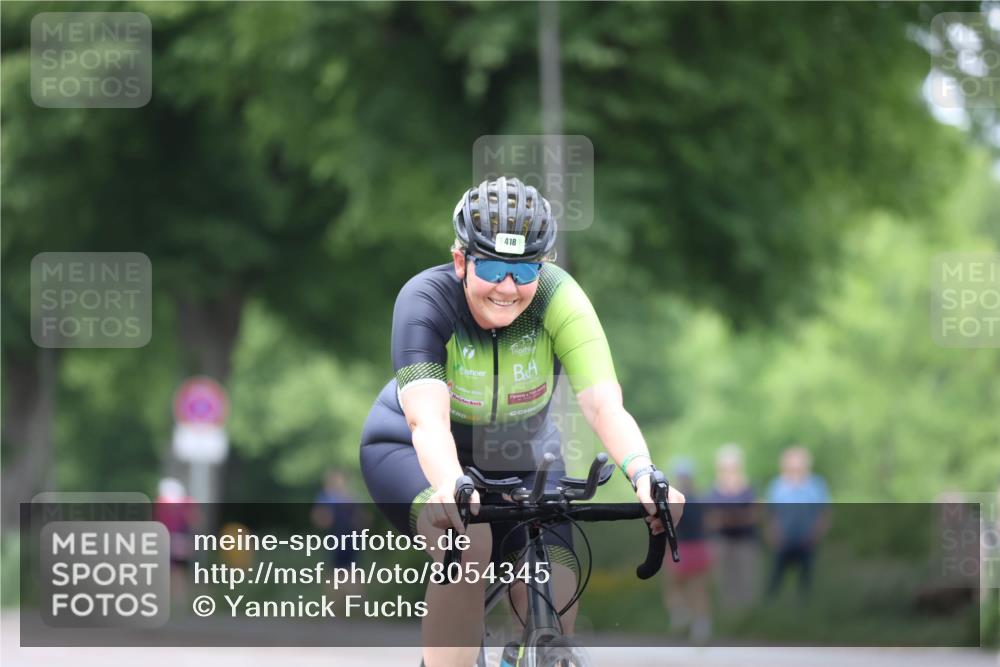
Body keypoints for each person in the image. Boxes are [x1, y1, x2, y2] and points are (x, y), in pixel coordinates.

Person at [359, 177, 685, 667]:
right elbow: (427, 420)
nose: (508, 288)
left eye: (525, 269)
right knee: (468, 544)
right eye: (491, 266)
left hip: (525, 457)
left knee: (556, 585)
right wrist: (451, 485)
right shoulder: (424, 300)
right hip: (411, 449)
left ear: (543, 266)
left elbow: (603, 405)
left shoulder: (559, 297)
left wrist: (644, 474)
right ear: (460, 261)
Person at [765, 446, 830, 601]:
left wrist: (815, 535)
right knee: (775, 578)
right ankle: (769, 607)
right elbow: (772, 514)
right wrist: (773, 534)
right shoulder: (777, 485)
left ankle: (804, 610)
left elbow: (824, 513)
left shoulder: (817, 485)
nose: (794, 469)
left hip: (808, 539)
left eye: (798, 465)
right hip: (783, 540)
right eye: (791, 465)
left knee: (806, 579)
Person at [704, 443, 761, 613]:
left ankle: (748, 615)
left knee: (747, 578)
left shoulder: (748, 488)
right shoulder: (713, 491)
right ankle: (729, 616)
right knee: (723, 580)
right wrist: (734, 518)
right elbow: (709, 519)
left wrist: (730, 518)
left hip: (745, 540)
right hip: (721, 541)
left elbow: (756, 514)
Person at [662, 459, 713, 644]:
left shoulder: (672, 501)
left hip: (681, 548)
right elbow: (709, 524)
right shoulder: (700, 499)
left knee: (673, 586)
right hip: (699, 546)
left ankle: (680, 612)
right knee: (699, 590)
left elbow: (669, 528)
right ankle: (701, 626)